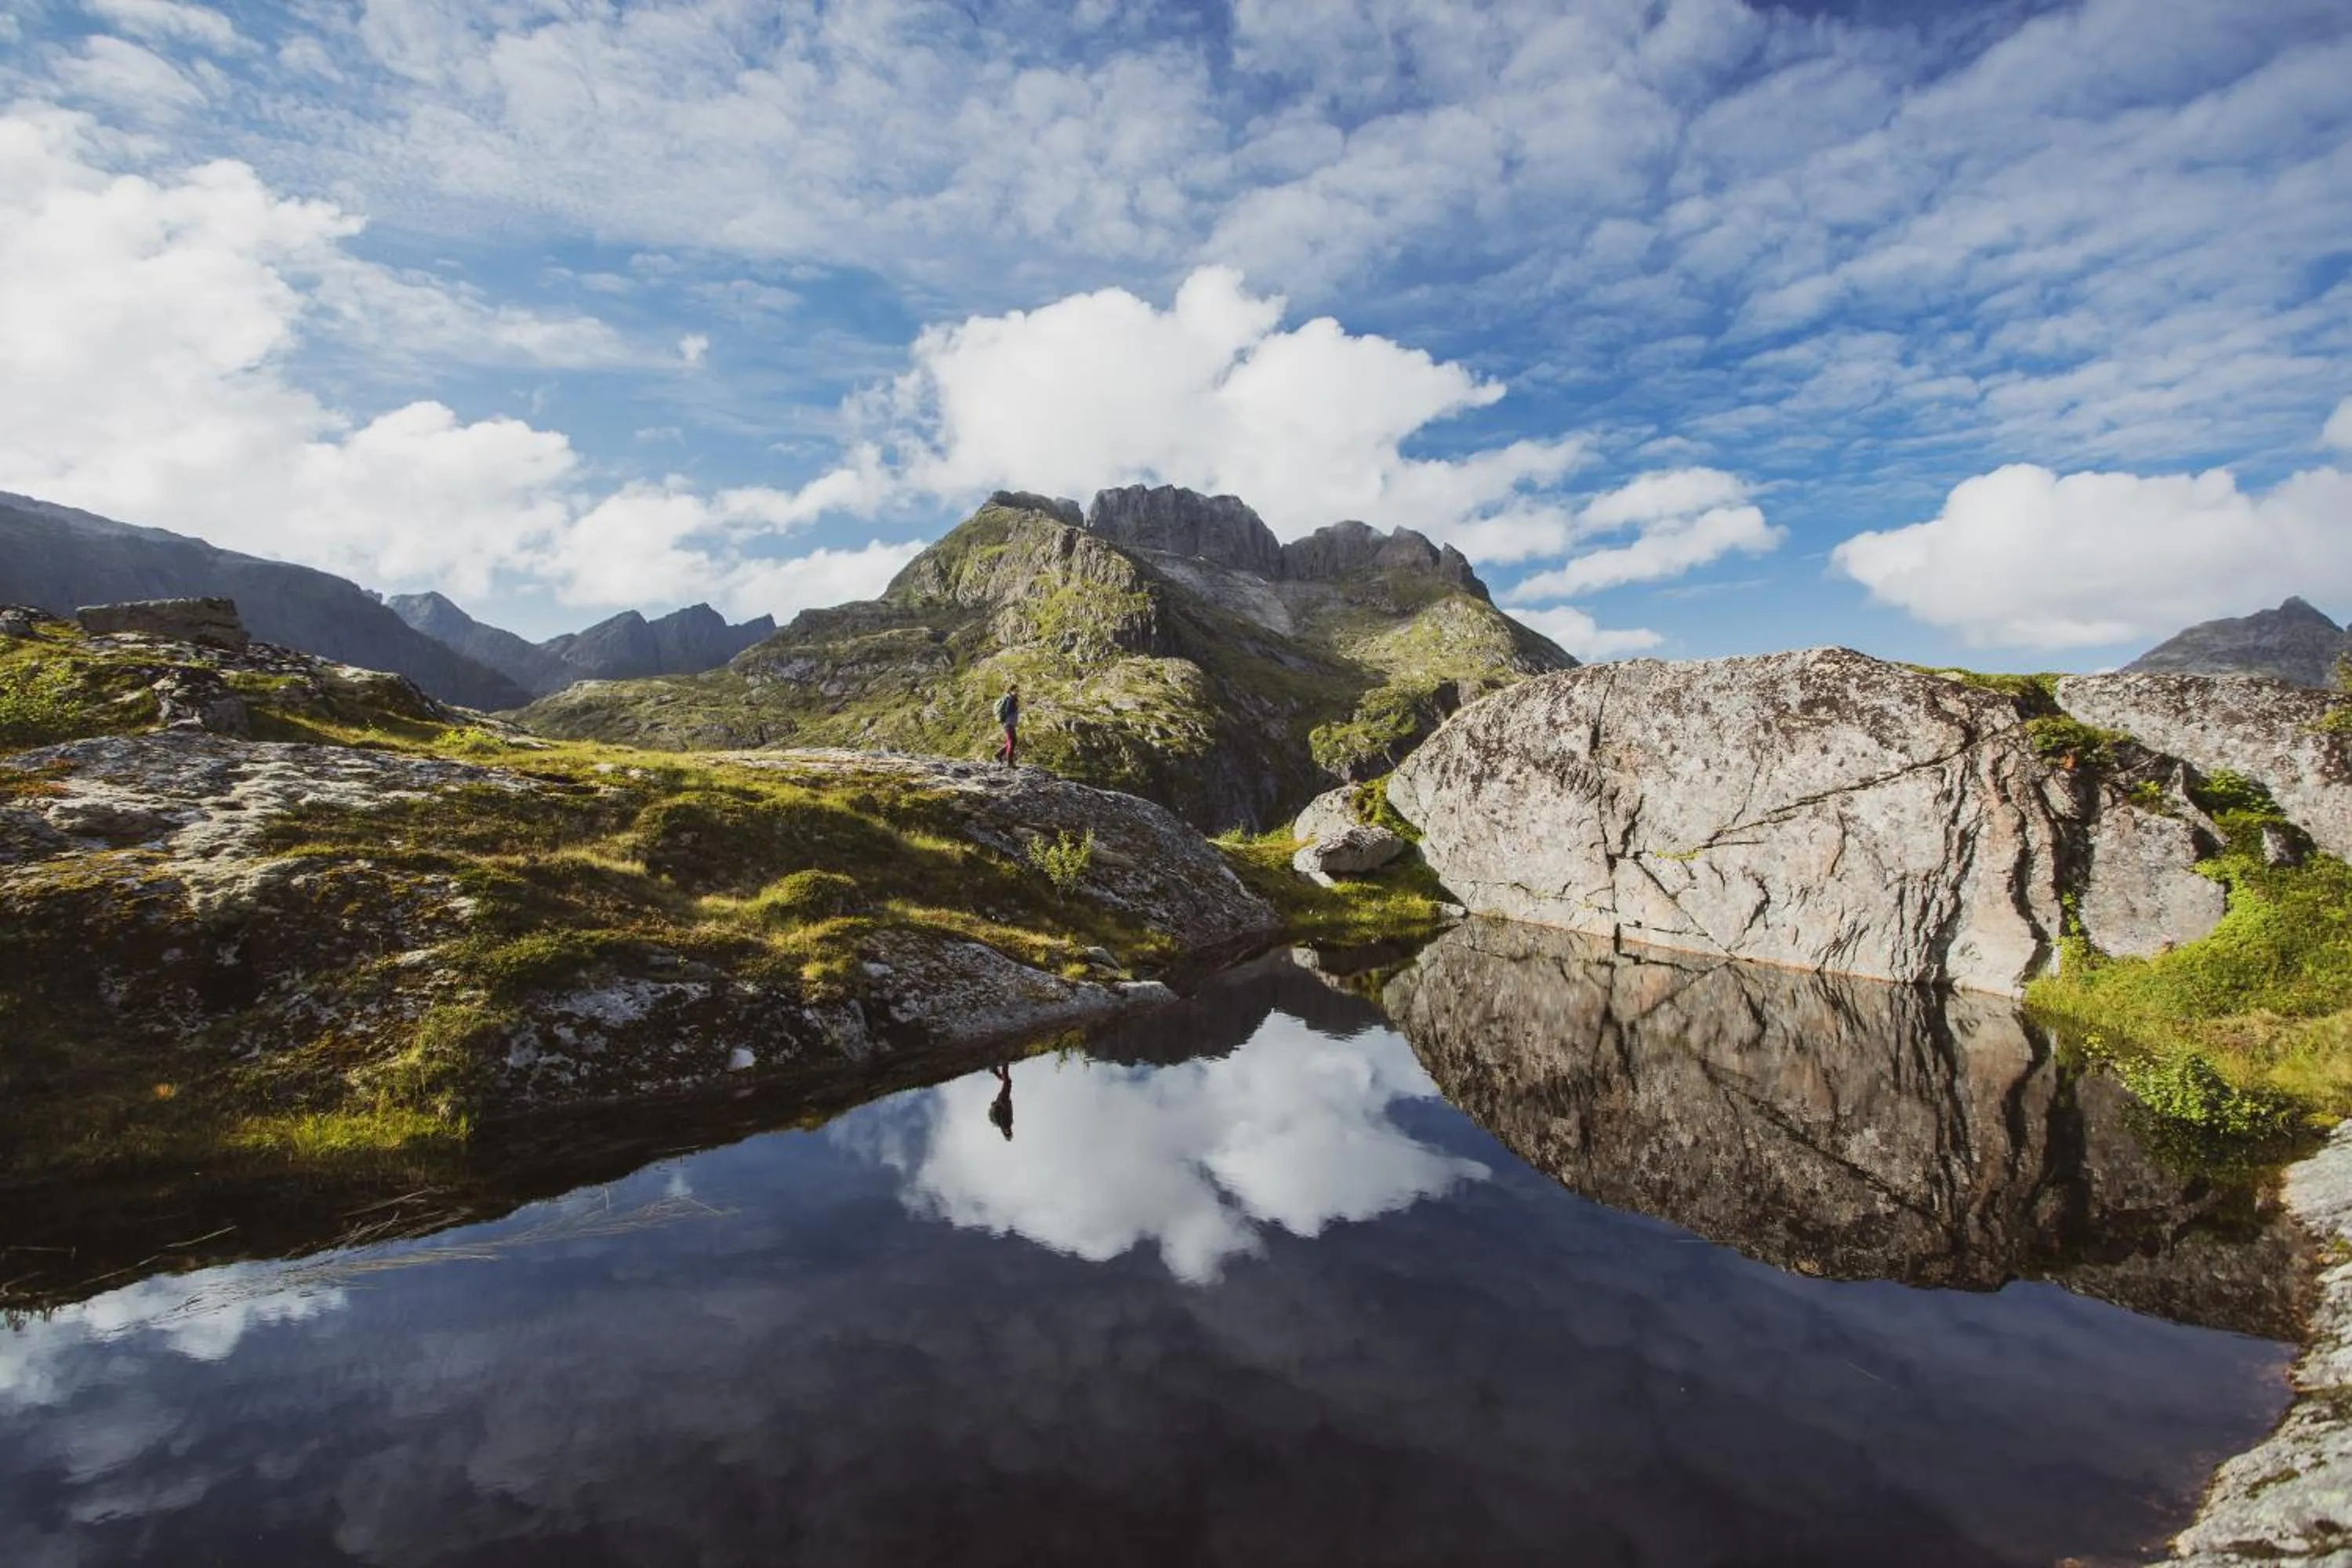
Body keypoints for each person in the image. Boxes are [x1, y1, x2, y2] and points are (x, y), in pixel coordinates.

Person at [993, 681, 1021, 768]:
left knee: (1013, 741)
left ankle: (998, 755)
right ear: (1011, 690)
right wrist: (1006, 722)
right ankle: (1010, 763)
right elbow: (1007, 711)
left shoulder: (1012, 699)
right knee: (1012, 741)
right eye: (1016, 690)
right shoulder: (1010, 699)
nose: (1018, 692)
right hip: (1008, 724)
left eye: (1018, 690)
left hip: (1009, 723)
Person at [987, 1062, 1014, 1141]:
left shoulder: (1006, 1125)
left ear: (1004, 1133)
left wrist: (1003, 1105)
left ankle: (1004, 1064)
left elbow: (1004, 1114)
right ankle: (995, 1070)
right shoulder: (1007, 1125)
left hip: (1003, 1101)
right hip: (1003, 1102)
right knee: (1007, 1082)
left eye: (1007, 1134)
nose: (1008, 1132)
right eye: (1009, 1133)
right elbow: (1009, 1112)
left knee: (1008, 1082)